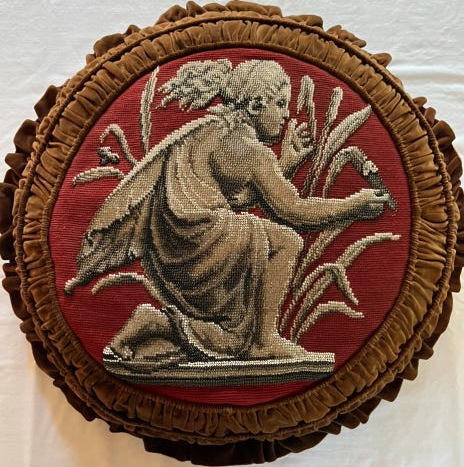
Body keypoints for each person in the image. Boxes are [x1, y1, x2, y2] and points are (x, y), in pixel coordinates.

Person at [65, 59, 389, 369]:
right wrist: (355, 205)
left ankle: (154, 323)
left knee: (233, 332)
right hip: (202, 244)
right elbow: (295, 211)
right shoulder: (251, 151)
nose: (286, 114)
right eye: (279, 104)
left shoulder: (208, 129)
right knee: (287, 242)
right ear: (255, 106)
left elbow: (233, 197)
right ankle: (264, 341)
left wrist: (284, 166)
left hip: (175, 246)